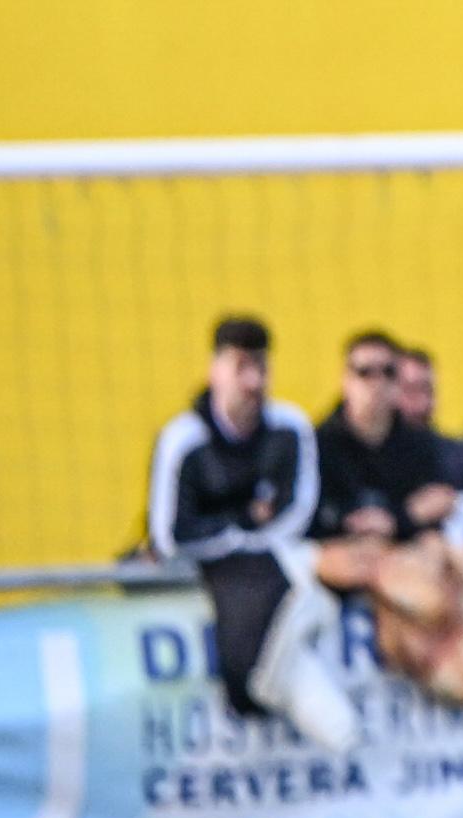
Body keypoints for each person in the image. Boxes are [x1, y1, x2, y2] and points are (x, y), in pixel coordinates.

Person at [146, 315, 354, 748]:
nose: (254, 381)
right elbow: (170, 535)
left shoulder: (290, 428)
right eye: (241, 367)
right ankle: (290, 695)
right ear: (215, 371)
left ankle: (299, 694)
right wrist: (242, 526)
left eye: (261, 368)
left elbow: (296, 513)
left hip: (277, 561)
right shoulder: (182, 439)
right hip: (220, 575)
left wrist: (238, 535)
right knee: (255, 588)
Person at [312, 331, 461, 540]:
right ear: (345, 380)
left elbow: (438, 499)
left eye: (388, 372)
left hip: (403, 551)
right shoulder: (317, 443)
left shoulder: (419, 443)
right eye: (365, 372)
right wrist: (349, 521)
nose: (377, 383)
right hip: (337, 546)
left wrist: (395, 521)